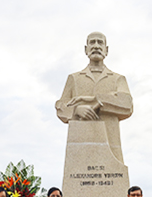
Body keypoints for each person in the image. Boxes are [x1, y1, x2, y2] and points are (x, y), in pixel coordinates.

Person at [55, 31, 133, 163]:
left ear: (106, 50)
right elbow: (61, 107)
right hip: (80, 147)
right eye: (92, 42)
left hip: (110, 148)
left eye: (100, 42)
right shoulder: (74, 78)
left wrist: (95, 100)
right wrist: (76, 110)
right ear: (86, 49)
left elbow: (127, 105)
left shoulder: (117, 79)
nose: (96, 46)